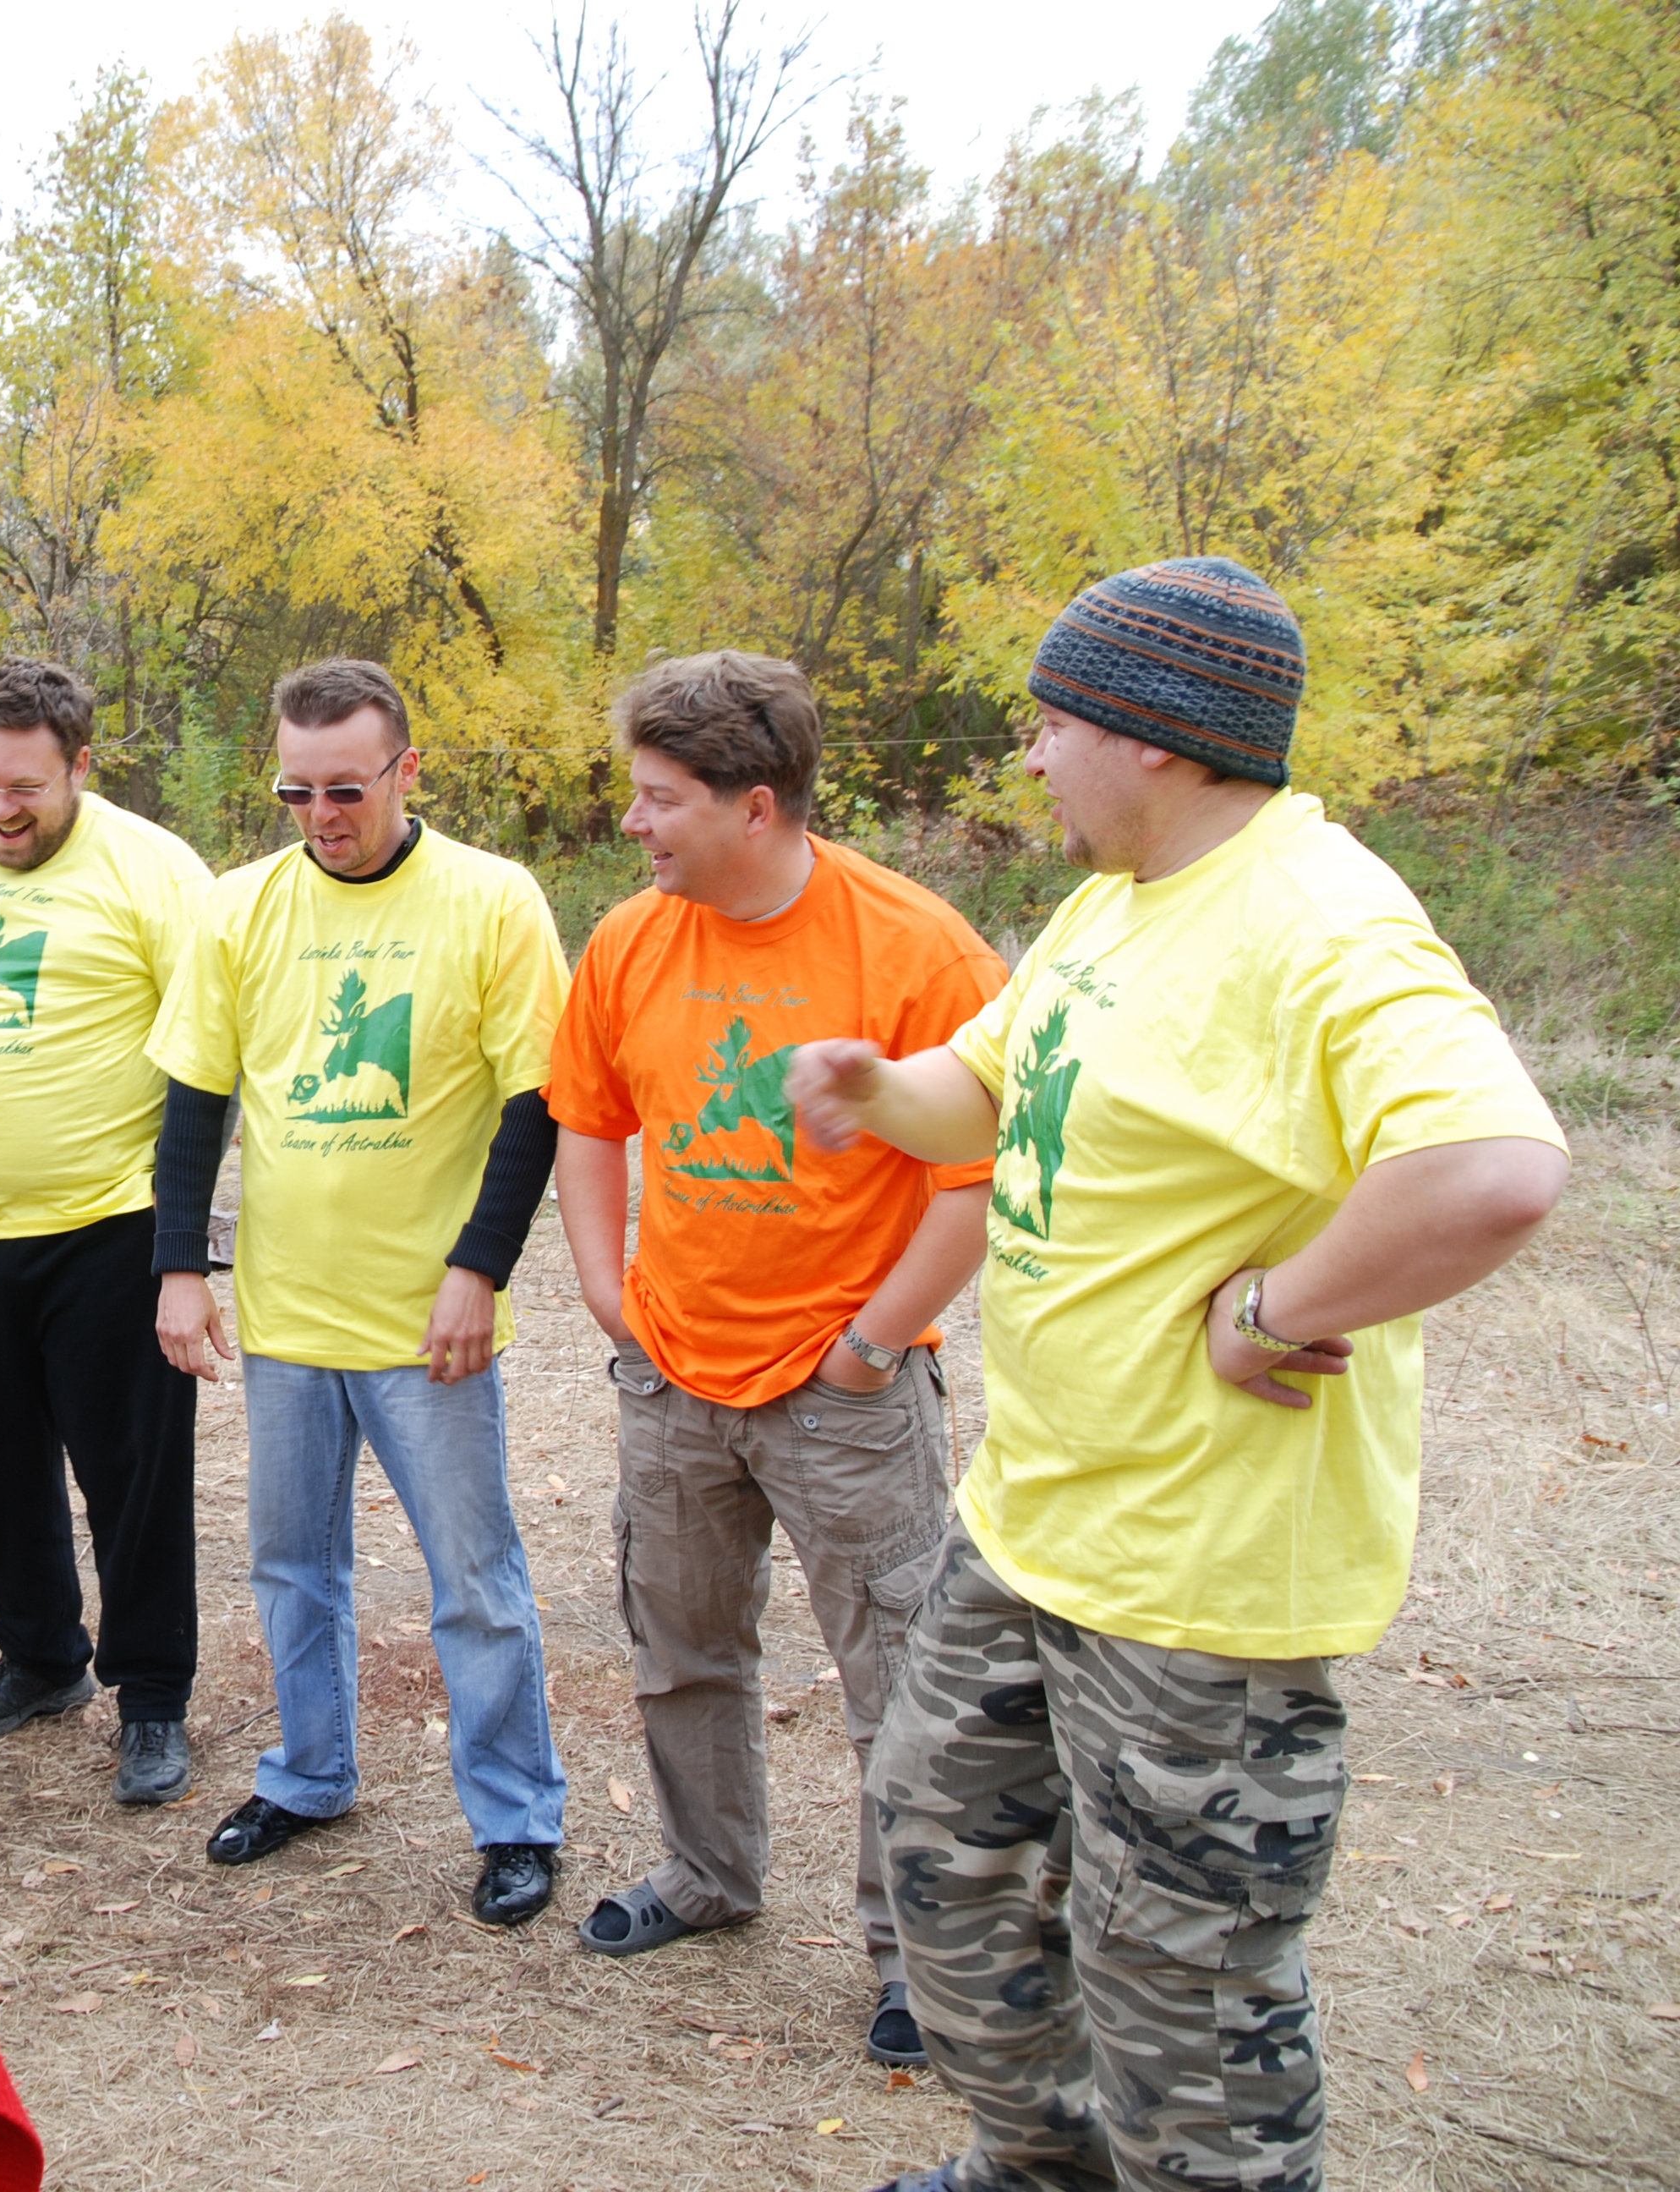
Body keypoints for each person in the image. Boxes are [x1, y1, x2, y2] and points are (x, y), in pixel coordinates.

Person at [785, 557, 1569, 2192]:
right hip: (1032, 1528)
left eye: (1049, 723)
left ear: (1153, 734)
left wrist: (1276, 1307)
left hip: (1198, 1587)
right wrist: (877, 1088)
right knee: (943, 1862)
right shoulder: (1114, 901)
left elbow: (1492, 1166)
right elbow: (993, 1089)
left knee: (1183, 1994)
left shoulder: (1319, 917)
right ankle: (1037, 2167)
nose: (1028, 756)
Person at [544, 650, 1003, 2067]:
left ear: (756, 806)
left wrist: (868, 1349)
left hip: (845, 1392)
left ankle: (920, 1959)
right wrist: (609, 1292)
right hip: (673, 1376)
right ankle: (706, 1874)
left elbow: (976, 1181)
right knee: (680, 1648)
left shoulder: (918, 950)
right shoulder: (631, 939)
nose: (633, 822)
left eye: (659, 798)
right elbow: (587, 1118)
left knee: (903, 1677)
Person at [147, 657, 569, 1928]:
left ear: (406, 770)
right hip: (288, 1313)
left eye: (346, 789)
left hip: (425, 1319)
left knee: (472, 1580)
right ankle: (310, 1774)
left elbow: (535, 1104)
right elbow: (196, 1100)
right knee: (291, 1565)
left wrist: (477, 1271)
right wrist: (180, 1267)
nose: (321, 815)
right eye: (296, 792)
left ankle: (516, 1817)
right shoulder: (238, 908)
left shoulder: (492, 900)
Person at [0, 657, 215, 1806]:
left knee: (132, 1477)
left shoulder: (155, 870)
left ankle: (152, 1694)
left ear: (80, 767)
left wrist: (183, 1239)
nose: (1, 809)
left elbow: (206, 1056)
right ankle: (39, 1657)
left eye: (24, 786)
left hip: (112, 1228)